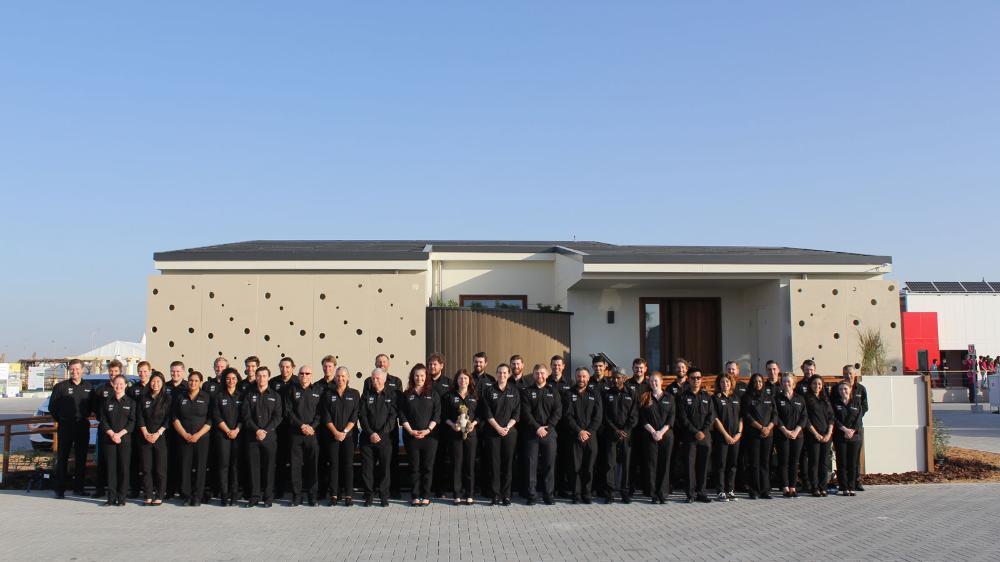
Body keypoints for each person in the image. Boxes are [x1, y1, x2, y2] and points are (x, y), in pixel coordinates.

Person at [519, 364, 562, 505]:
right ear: (533, 375)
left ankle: (548, 495)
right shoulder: (526, 392)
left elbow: (557, 412)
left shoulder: (553, 391)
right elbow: (526, 413)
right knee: (531, 465)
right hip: (532, 435)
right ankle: (532, 495)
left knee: (549, 465)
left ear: (547, 374)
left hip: (549, 434)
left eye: (542, 373)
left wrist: (547, 428)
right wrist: (537, 428)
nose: (540, 376)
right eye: (537, 373)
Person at [50, 359, 93, 498]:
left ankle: (78, 488)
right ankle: (60, 489)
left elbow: (93, 407)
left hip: (82, 426)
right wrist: (62, 420)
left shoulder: (89, 387)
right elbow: (53, 408)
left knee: (81, 459)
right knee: (62, 458)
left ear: (82, 370)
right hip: (65, 426)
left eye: (77, 369)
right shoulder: (60, 387)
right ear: (69, 370)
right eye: (72, 369)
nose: (75, 372)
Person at [399, 363, 441, 507]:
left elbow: (437, 415)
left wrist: (428, 430)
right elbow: (402, 415)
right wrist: (410, 431)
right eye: (417, 375)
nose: (419, 378)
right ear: (413, 377)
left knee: (427, 467)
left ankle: (426, 495)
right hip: (412, 436)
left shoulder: (433, 394)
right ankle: (415, 495)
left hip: (430, 437)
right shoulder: (407, 394)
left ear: (426, 377)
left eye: (422, 375)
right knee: (414, 467)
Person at [241, 366, 283, 507]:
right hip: (252, 438)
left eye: (264, 376)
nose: (261, 378)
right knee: (253, 468)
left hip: (269, 438)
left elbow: (278, 417)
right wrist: (256, 430)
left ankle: (268, 497)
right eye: (259, 376)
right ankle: (254, 497)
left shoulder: (275, 396)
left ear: (268, 377)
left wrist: (265, 431)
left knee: (269, 468)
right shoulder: (248, 394)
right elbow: (246, 416)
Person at [560, 367, 601, 504]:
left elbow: (598, 416)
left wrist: (588, 431)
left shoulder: (594, 394)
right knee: (574, 467)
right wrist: (579, 431)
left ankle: (587, 493)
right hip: (574, 436)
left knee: (589, 467)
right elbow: (567, 415)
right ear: (575, 377)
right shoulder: (568, 393)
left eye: (584, 376)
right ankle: (576, 494)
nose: (581, 379)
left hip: (591, 436)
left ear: (588, 378)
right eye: (579, 376)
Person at [364, 354, 403, 498]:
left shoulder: (396, 381)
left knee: (391, 461)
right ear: (375, 363)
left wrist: (384, 431)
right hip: (372, 432)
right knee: (371, 464)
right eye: (379, 362)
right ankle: (372, 490)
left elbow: (396, 407)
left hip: (389, 431)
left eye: (384, 361)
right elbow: (365, 406)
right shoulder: (368, 381)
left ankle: (392, 490)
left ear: (388, 364)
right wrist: (372, 432)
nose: (381, 364)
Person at [319, 366, 359, 506]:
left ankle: (348, 495)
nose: (340, 379)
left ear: (348, 377)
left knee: (348, 465)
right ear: (334, 378)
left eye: (343, 376)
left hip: (348, 437)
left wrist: (345, 432)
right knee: (334, 465)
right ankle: (334, 495)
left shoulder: (354, 394)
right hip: (332, 436)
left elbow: (354, 416)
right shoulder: (327, 393)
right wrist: (336, 432)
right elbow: (326, 416)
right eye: (338, 376)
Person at [481, 363, 520, 506]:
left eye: (504, 373)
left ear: (509, 374)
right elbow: (487, 412)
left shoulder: (514, 391)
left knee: (507, 464)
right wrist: (498, 428)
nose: (502, 375)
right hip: (492, 433)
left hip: (509, 433)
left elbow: (517, 413)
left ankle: (506, 495)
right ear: (496, 374)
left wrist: (507, 427)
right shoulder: (489, 390)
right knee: (494, 464)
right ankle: (495, 495)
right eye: (499, 372)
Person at [173, 371, 212, 506]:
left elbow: (211, 419)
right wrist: (184, 434)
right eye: (191, 380)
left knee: (200, 467)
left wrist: (198, 434)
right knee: (185, 466)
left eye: (196, 381)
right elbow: (174, 417)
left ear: (200, 382)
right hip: (184, 437)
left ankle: (197, 496)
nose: (193, 383)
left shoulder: (206, 397)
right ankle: (186, 495)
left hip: (202, 438)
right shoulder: (180, 396)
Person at [286, 365, 323, 506]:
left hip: (312, 435)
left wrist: (311, 427)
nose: (304, 376)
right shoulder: (292, 390)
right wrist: (301, 425)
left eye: (307, 373)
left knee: (312, 466)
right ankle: (297, 496)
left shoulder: (318, 390)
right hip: (296, 434)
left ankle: (312, 496)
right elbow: (288, 412)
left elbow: (320, 413)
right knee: (295, 466)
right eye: (301, 373)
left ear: (311, 375)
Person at [360, 368, 396, 507]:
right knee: (367, 469)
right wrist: (371, 433)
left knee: (384, 469)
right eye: (373, 378)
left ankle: (383, 496)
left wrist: (380, 434)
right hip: (367, 438)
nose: (375, 381)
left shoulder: (391, 395)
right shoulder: (366, 394)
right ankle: (368, 496)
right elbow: (362, 416)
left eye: (378, 378)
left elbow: (392, 417)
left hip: (385, 438)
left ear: (384, 379)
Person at [677, 368, 715, 503]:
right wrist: (695, 432)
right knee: (689, 466)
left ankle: (701, 492)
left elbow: (711, 416)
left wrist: (703, 431)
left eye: (698, 378)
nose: (696, 380)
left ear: (701, 379)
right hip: (689, 437)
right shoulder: (682, 397)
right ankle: (690, 494)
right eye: (693, 378)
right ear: (688, 379)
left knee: (703, 466)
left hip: (705, 437)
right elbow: (683, 418)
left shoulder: (707, 397)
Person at [599, 368, 637, 504]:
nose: (615, 380)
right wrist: (615, 430)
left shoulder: (632, 393)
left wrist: (625, 430)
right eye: (613, 378)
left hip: (627, 435)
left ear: (624, 378)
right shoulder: (607, 394)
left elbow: (634, 415)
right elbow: (605, 416)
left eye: (618, 378)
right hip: (611, 434)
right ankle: (609, 493)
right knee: (610, 464)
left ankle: (625, 493)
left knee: (626, 464)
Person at [442, 369, 478, 505]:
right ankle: (457, 494)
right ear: (456, 380)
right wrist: (452, 424)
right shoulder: (449, 396)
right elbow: (444, 415)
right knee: (456, 464)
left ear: (469, 380)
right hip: (454, 434)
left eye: (465, 378)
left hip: (471, 435)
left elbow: (480, 415)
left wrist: (473, 424)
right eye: (460, 378)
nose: (463, 381)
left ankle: (469, 494)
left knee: (469, 464)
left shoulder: (475, 396)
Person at [98, 374, 135, 506]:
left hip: (124, 440)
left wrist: (119, 435)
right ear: (113, 385)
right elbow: (103, 421)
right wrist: (112, 434)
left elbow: (132, 422)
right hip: (109, 440)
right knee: (111, 469)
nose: (118, 386)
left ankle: (122, 497)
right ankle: (111, 497)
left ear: (125, 385)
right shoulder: (107, 402)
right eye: (116, 384)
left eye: (121, 384)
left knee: (123, 469)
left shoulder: (131, 402)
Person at [639, 372, 673, 504]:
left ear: (661, 382)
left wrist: (661, 432)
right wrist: (653, 432)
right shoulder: (645, 397)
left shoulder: (669, 397)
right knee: (652, 465)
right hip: (650, 435)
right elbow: (643, 418)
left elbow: (671, 418)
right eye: (651, 381)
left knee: (664, 464)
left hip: (666, 435)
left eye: (656, 381)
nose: (654, 383)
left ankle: (662, 493)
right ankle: (653, 494)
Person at [89, 359, 122, 498]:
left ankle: (120, 490)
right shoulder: (101, 390)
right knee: (102, 461)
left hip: (121, 432)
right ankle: (100, 489)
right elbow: (95, 408)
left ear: (121, 372)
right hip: (104, 430)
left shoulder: (124, 387)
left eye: (116, 372)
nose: (113, 374)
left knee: (120, 462)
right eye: (111, 372)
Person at [137, 371, 171, 505]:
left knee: (160, 469)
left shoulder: (167, 398)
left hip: (160, 436)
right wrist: (145, 433)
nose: (155, 384)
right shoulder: (143, 398)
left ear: (162, 383)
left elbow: (169, 418)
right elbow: (139, 417)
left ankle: (160, 495)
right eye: (153, 381)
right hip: (145, 436)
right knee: (146, 468)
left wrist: (158, 433)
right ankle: (148, 494)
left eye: (158, 381)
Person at [741, 373, 776, 499]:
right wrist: (761, 428)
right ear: (752, 383)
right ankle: (754, 490)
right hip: (753, 434)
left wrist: (768, 428)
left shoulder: (769, 397)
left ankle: (765, 490)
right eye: (756, 381)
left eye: (760, 381)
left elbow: (775, 415)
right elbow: (747, 416)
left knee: (765, 463)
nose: (758, 384)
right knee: (754, 463)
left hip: (768, 434)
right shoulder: (747, 397)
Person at [212, 367, 242, 506]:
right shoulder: (219, 396)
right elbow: (216, 415)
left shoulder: (241, 396)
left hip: (238, 435)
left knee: (235, 466)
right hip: (222, 435)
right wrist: (227, 430)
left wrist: (236, 430)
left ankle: (234, 495)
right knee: (223, 465)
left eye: (234, 378)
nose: (231, 381)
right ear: (224, 380)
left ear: (237, 380)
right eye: (228, 378)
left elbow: (245, 416)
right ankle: (224, 495)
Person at [269, 357, 299, 499]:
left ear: (293, 367)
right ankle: (279, 488)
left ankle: (295, 489)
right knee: (279, 459)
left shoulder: (298, 381)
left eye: (287, 367)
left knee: (294, 459)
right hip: (278, 427)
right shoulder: (273, 382)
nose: (284, 369)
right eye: (282, 367)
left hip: (294, 426)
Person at [773, 373, 806, 498]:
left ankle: (793, 486)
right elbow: (776, 416)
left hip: (797, 435)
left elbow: (804, 417)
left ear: (793, 383)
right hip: (783, 435)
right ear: (781, 384)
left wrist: (796, 431)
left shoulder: (800, 398)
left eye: (788, 381)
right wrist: (785, 431)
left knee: (794, 462)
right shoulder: (777, 398)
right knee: (784, 461)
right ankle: (785, 487)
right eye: (784, 382)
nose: (786, 384)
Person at [712, 374, 742, 502]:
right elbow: (715, 419)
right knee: (721, 464)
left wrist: (739, 433)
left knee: (733, 464)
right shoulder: (715, 399)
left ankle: (730, 490)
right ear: (719, 384)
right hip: (722, 437)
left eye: (727, 382)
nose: (725, 384)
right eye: (723, 382)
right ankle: (720, 491)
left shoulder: (736, 398)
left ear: (731, 383)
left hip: (736, 437)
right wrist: (726, 435)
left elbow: (741, 417)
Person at [803, 374, 834, 497]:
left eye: (819, 384)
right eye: (815, 384)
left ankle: (823, 487)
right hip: (813, 436)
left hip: (826, 435)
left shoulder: (825, 399)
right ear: (810, 385)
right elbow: (806, 419)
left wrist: (829, 433)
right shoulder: (806, 398)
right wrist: (815, 433)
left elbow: (831, 417)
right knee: (814, 462)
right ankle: (814, 487)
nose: (817, 386)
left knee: (824, 463)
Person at [832, 381, 865, 496]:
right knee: (842, 462)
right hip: (840, 436)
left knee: (853, 463)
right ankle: (844, 487)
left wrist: (852, 431)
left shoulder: (857, 403)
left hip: (854, 437)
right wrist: (844, 429)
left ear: (850, 389)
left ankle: (851, 487)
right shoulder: (835, 403)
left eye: (845, 389)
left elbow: (858, 420)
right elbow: (834, 419)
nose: (843, 391)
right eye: (841, 389)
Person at [314, 355, 339, 500]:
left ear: (334, 367)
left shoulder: (339, 384)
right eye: (325, 366)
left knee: (336, 462)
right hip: (321, 430)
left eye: (330, 366)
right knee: (321, 461)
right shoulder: (317, 386)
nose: (327, 368)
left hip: (336, 431)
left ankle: (336, 490)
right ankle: (322, 490)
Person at [841, 364, 869, 490]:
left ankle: (856, 482)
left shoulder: (861, 389)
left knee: (855, 458)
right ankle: (844, 483)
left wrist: (854, 423)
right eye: (846, 373)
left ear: (855, 375)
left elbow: (865, 407)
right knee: (843, 458)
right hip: (841, 429)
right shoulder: (838, 388)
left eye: (850, 373)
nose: (848, 375)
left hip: (856, 428)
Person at [126, 361, 152, 499]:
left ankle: (150, 489)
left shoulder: (154, 387)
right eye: (140, 371)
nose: (143, 374)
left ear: (150, 371)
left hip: (150, 430)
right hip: (135, 430)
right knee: (135, 460)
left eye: (145, 371)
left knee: (149, 462)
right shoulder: (132, 389)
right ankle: (135, 489)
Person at [550, 355, 575, 498]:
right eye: (554, 365)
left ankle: (563, 487)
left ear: (563, 366)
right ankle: (551, 488)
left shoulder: (570, 383)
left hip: (566, 427)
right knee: (551, 458)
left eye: (559, 365)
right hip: (551, 427)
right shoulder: (546, 381)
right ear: (551, 366)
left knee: (565, 458)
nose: (556, 367)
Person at [163, 361, 188, 499]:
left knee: (182, 460)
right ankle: (170, 490)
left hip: (182, 429)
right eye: (173, 371)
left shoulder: (187, 386)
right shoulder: (165, 387)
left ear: (183, 372)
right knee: (169, 460)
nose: (175, 374)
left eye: (178, 371)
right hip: (167, 429)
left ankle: (182, 489)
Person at [427, 353, 451, 499]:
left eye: (435, 364)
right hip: (427, 427)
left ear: (441, 366)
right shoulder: (425, 381)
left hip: (443, 427)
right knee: (429, 459)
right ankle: (427, 488)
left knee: (442, 458)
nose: (432, 366)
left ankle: (440, 489)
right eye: (430, 364)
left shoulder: (448, 382)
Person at [626, 358, 651, 498]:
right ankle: (630, 487)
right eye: (636, 368)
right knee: (632, 459)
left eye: (641, 368)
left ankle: (647, 488)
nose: (639, 370)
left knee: (647, 458)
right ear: (632, 368)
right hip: (632, 428)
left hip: (647, 427)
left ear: (645, 369)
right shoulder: (628, 384)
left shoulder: (650, 385)